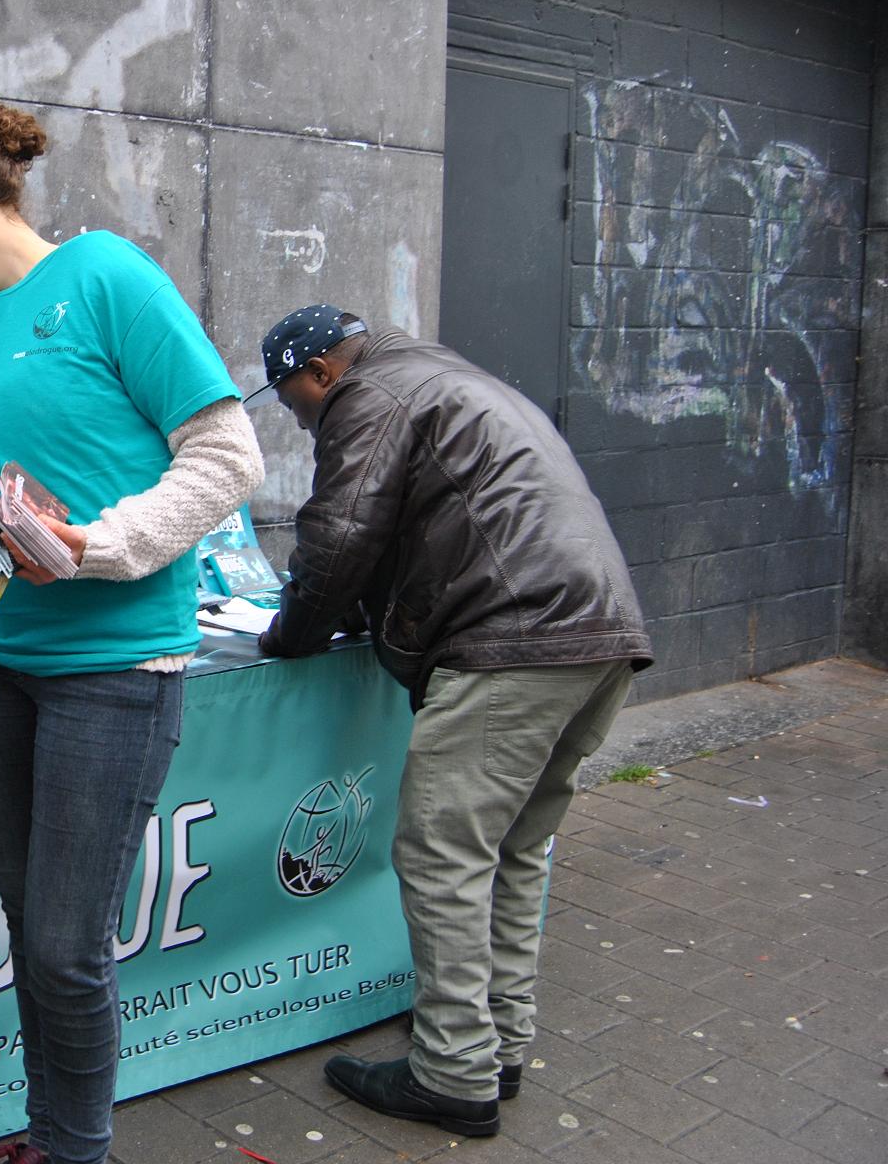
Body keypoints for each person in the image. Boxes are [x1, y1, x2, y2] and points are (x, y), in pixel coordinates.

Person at [0, 105, 264, 1164]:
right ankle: (51, 1138)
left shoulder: (106, 278)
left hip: (112, 672)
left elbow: (227, 462)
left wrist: (98, 546)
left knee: (65, 946)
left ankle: (76, 1150)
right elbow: (4, 518)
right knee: (32, 931)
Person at [247, 304, 654, 1137]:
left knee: (441, 851)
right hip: (599, 631)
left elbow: (341, 533)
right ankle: (495, 1042)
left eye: (294, 404)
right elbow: (426, 525)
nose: (300, 420)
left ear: (322, 374)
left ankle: (453, 1071)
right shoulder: (448, 377)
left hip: (514, 639)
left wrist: (291, 634)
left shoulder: (370, 396)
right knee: (514, 845)